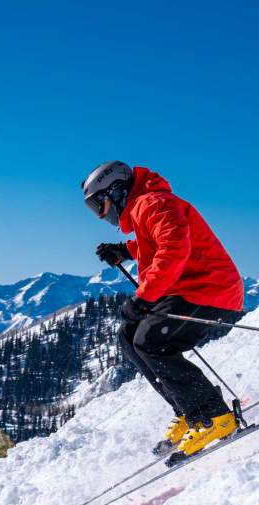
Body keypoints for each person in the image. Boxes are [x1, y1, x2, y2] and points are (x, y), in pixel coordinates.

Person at [81, 161, 244, 462]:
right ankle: (189, 409)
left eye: (98, 206)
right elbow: (155, 240)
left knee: (152, 341)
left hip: (209, 288)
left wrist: (145, 297)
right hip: (189, 288)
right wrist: (125, 251)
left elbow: (173, 249)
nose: (101, 215)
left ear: (115, 192)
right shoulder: (146, 205)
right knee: (129, 335)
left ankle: (212, 417)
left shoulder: (154, 202)